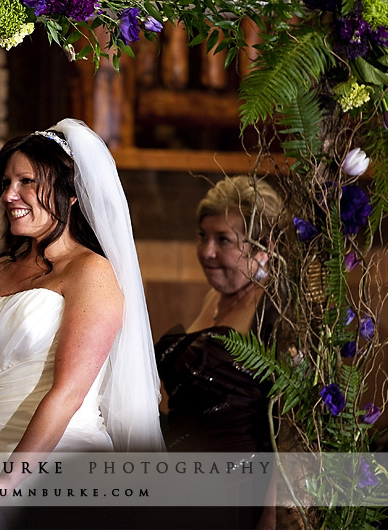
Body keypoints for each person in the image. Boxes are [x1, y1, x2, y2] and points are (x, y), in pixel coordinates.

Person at [0, 119, 164, 529]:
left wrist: (6, 482)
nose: (9, 196)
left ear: (71, 194)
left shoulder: (91, 274)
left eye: (26, 181)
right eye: (5, 182)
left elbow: (68, 393)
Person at [155, 175, 284, 529]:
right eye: (202, 236)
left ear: (264, 247)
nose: (207, 251)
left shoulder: (277, 310)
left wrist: (272, 514)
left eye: (223, 240)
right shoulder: (214, 297)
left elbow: (290, 427)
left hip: (238, 495)